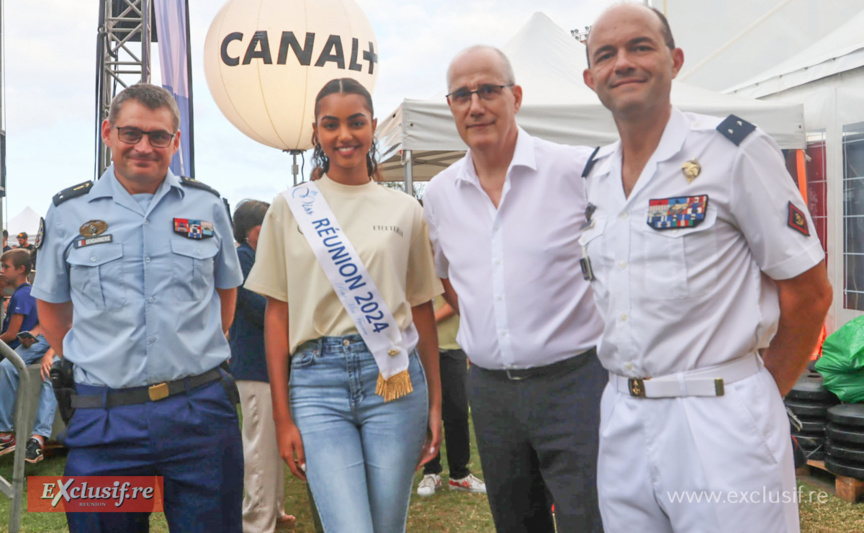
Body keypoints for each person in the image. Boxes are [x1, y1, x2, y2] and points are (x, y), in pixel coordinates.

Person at [581, 4, 833, 532]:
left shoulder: (733, 151)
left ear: (674, 60)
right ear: (590, 78)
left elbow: (809, 293)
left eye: (640, 47)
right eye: (606, 54)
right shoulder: (596, 174)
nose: (622, 62)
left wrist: (761, 391)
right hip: (623, 415)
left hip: (718, 414)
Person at [32, 83, 244, 532]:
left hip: (198, 413)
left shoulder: (207, 206)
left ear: (175, 141)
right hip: (105, 417)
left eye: (158, 136)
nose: (144, 147)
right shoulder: (68, 212)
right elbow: (51, 309)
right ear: (108, 132)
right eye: (131, 133)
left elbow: (226, 298)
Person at [245, 77, 443, 533]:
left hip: (393, 381)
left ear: (373, 127)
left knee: (386, 525)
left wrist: (435, 401)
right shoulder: (289, 208)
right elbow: (277, 315)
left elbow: (421, 310)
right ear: (316, 132)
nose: (344, 135)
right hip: (316, 385)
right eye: (330, 125)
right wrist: (281, 416)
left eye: (356, 123)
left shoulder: (406, 210)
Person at [422, 46, 606, 532]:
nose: (475, 105)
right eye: (462, 95)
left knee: (590, 517)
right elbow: (448, 278)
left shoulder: (575, 170)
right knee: (515, 522)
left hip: (576, 385)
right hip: (491, 392)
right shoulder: (439, 194)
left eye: (488, 90)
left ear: (516, 96)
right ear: (451, 107)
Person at [229, 199, 297, 532]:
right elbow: (260, 307)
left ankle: (273, 509)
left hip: (270, 367)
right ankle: (255, 520)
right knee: (258, 446)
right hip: (254, 366)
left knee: (272, 444)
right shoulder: (241, 260)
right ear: (252, 231)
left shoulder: (258, 259)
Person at [416, 295, 486, 496]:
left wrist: (425, 320)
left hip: (452, 346)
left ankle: (460, 475)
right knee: (426, 411)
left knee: (457, 410)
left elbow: (456, 301)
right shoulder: (416, 266)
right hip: (421, 348)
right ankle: (431, 472)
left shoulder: (448, 265)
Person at [0, 248, 58, 464]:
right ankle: (10, 434)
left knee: (50, 374)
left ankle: (35, 438)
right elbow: (45, 321)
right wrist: (32, 336)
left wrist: (51, 352)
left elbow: (70, 322)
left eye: (6, 267)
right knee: (8, 367)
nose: (2, 271)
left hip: (66, 339)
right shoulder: (39, 286)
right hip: (46, 335)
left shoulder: (27, 291)